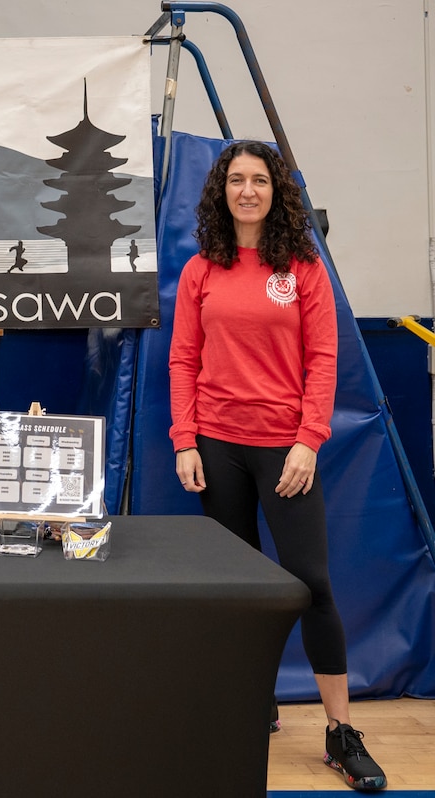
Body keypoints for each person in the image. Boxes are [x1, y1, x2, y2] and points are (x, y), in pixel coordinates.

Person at [169, 140, 386, 792]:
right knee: (237, 591)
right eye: (236, 180)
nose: (247, 191)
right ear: (221, 192)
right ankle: (251, 705)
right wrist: (185, 440)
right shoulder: (200, 270)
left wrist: (308, 440)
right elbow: (183, 360)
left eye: (258, 180)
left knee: (311, 583)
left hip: (284, 448)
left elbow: (324, 361)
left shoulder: (303, 268)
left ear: (275, 191)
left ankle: (340, 732)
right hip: (216, 447)